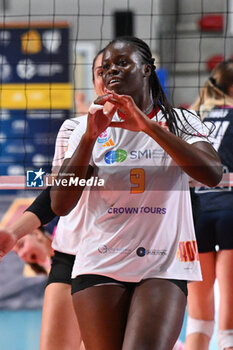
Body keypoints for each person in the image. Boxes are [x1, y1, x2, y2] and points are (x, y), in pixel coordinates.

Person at [50, 36, 222, 350]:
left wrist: (146, 125)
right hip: (99, 262)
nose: (111, 71)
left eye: (122, 62)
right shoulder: (83, 128)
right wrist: (89, 138)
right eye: (104, 69)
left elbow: (212, 173)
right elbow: (61, 203)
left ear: (146, 69)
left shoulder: (180, 121)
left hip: (163, 264)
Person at [0, 48, 105, 350]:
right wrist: (14, 233)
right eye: (100, 71)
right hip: (71, 255)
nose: (109, 77)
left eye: (119, 67)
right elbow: (56, 192)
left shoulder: (157, 130)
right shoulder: (72, 128)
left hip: (121, 257)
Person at [185, 60, 233, 350]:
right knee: (229, 322)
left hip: (195, 215)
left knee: (199, 321)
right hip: (230, 211)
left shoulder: (193, 118)